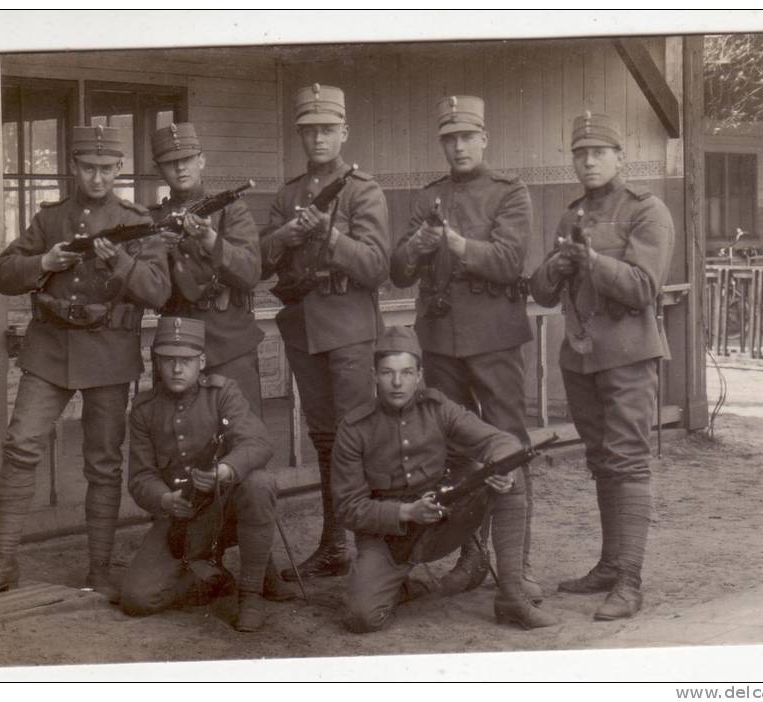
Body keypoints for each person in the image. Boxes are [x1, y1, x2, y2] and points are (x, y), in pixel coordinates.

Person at [0, 125, 170, 602]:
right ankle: (4, 563)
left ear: (118, 169)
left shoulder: (138, 221)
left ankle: (99, 568)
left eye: (105, 169)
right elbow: (2, 273)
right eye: (87, 167)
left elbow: (159, 291)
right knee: (20, 447)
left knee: (102, 463)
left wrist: (121, 262)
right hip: (50, 349)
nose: (96, 177)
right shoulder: (51, 219)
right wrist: (44, 262)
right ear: (73, 167)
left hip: (109, 353)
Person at [389, 95, 540, 598]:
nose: (457, 147)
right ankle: (472, 556)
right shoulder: (427, 196)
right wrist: (417, 246)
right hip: (438, 338)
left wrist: (456, 246)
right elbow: (399, 270)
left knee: (508, 445)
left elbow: (508, 259)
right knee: (455, 451)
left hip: (494, 336)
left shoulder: (510, 192)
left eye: (466, 137)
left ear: (484, 139)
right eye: (449, 139)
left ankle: (515, 567)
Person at [529, 112, 675, 620]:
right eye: (579, 153)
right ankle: (610, 565)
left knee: (628, 462)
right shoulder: (571, 216)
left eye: (598, 152)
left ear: (620, 157)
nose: (588, 161)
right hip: (581, 358)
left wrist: (593, 263)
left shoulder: (647, 210)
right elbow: (543, 292)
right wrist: (557, 265)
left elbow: (642, 287)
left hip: (630, 356)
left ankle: (630, 582)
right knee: (600, 461)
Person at [331, 326, 559, 633]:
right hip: (389, 537)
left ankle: (512, 598)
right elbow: (347, 507)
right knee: (361, 617)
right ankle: (402, 586)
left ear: (419, 374)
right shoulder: (354, 428)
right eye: (387, 373)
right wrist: (406, 512)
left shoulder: (438, 408)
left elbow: (500, 440)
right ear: (374, 375)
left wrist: (501, 467)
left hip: (443, 522)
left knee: (510, 477)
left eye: (406, 372)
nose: (397, 382)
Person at [260, 83, 390, 582]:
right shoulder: (289, 194)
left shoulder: (363, 190)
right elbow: (260, 260)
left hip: (350, 324)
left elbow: (377, 266)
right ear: (299, 134)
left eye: (327, 130)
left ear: (344, 132)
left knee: (359, 438)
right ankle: (334, 544)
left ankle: (372, 552)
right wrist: (286, 235)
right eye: (309, 130)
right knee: (324, 439)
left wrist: (330, 236)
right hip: (305, 327)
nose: (318, 138)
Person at [119, 316, 285, 632]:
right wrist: (165, 499)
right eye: (168, 360)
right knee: (137, 599)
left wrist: (225, 470)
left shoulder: (222, 393)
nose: (177, 369)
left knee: (259, 483)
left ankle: (251, 595)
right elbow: (140, 478)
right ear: (157, 363)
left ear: (202, 362)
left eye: (186, 361)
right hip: (181, 521)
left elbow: (259, 443)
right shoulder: (144, 410)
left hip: (227, 510)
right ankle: (214, 579)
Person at [148, 122, 265, 414]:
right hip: (176, 347)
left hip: (229, 343)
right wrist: (156, 250)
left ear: (201, 160)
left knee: (244, 434)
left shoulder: (231, 210)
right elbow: (142, 288)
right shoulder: (152, 221)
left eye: (187, 159)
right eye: (170, 163)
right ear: (159, 169)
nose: (180, 168)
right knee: (178, 441)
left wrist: (210, 239)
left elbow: (250, 273)